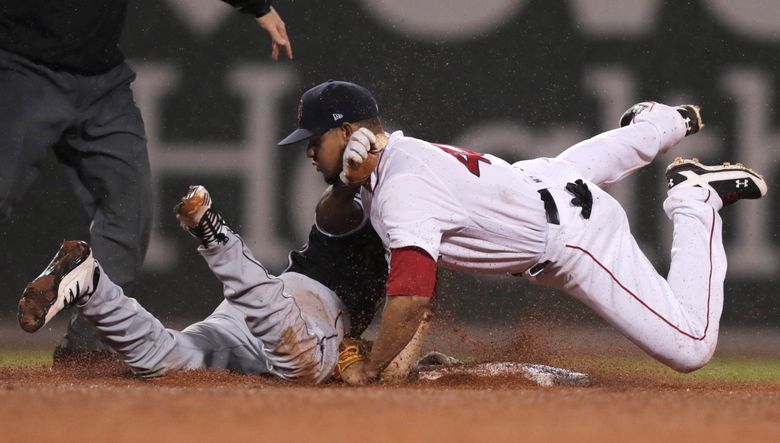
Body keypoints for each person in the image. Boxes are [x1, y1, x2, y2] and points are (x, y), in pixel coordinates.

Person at [278, 80, 769, 383]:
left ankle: (694, 199)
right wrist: (346, 182)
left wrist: (372, 367)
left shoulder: (401, 190)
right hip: (538, 182)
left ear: (346, 134)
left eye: (314, 139)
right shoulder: (392, 158)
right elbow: (331, 218)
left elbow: (410, 298)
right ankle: (661, 123)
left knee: (691, 347)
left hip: (574, 238)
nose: (306, 150)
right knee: (565, 168)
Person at [0, 0, 292, 362]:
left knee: (130, 211)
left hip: (103, 83)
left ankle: (88, 349)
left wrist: (255, 6)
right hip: (23, 70)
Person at [17, 185, 386, 382]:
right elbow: (335, 207)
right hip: (310, 310)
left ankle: (92, 285)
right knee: (306, 365)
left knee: (166, 358)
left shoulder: (396, 218)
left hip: (263, 306)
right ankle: (216, 238)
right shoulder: (384, 220)